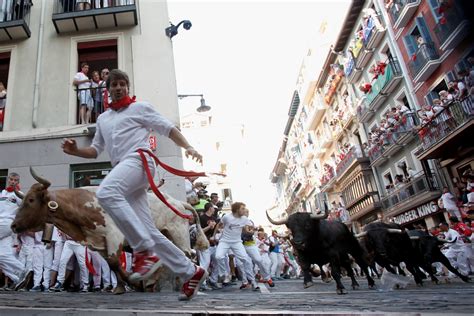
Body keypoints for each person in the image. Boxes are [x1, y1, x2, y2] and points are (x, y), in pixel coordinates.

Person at [61, 69, 206, 300]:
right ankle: (191, 271)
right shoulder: (103, 119)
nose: (119, 87)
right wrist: (75, 150)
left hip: (140, 160)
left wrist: (188, 147)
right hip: (124, 169)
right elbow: (95, 150)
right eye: (114, 85)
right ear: (107, 90)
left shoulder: (140, 108)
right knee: (148, 229)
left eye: (122, 84)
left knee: (106, 192)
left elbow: (168, 128)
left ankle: (142, 249)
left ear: (127, 87)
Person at [214, 202, 259, 290]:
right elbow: (219, 225)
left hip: (237, 242)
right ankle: (225, 274)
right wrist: (214, 235)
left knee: (245, 260)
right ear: (237, 209)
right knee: (218, 256)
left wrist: (253, 230)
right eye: (242, 208)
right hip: (225, 241)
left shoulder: (244, 219)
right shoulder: (227, 217)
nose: (244, 210)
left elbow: (250, 227)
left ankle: (253, 281)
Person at [0, 172, 26, 290]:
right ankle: (18, 276)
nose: (13, 182)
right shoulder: (3, 193)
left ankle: (21, 271)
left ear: (18, 182)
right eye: (11, 179)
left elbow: (25, 211)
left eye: (15, 180)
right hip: (3, 225)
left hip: (6, 223)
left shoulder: (20, 195)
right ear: (8, 180)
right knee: (3, 255)